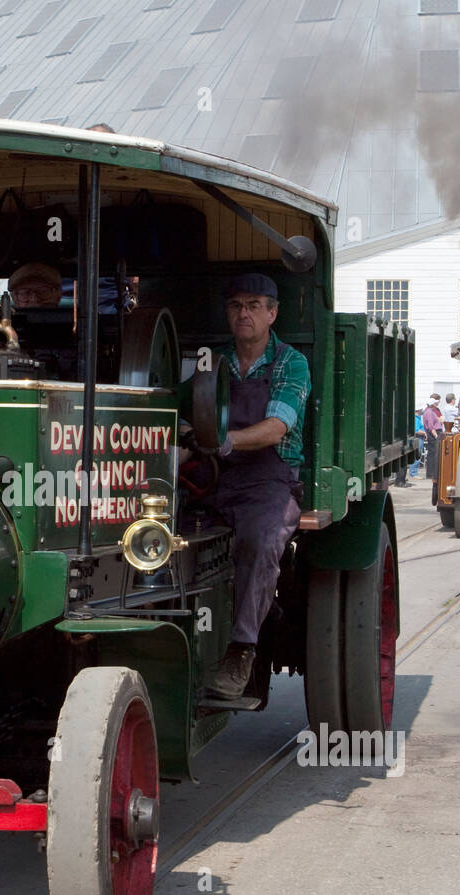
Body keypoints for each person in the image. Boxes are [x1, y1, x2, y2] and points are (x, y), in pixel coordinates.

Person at [183, 273, 309, 698]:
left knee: (261, 539)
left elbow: (276, 428)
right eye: (237, 304)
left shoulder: (291, 362)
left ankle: (241, 651)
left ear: (272, 313)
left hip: (269, 478)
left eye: (255, 305)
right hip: (211, 475)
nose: (244, 313)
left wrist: (224, 441)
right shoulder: (209, 361)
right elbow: (184, 414)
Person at [421, 394, 443, 478]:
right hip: (434, 433)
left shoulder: (429, 411)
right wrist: (436, 435)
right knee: (433, 453)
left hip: (434, 432)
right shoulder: (429, 412)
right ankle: (431, 473)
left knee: (433, 453)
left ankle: (432, 472)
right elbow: (430, 425)